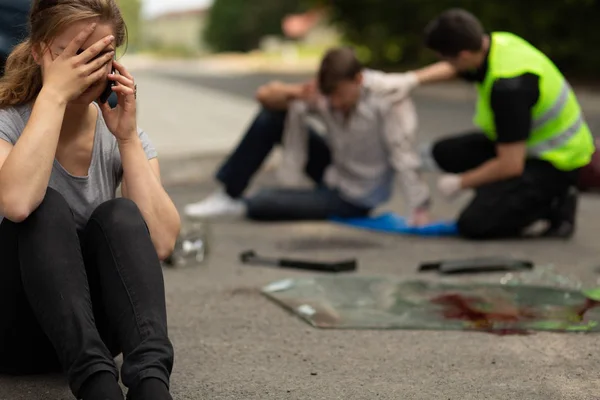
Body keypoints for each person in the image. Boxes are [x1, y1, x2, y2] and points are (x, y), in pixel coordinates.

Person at [0, 1, 181, 400]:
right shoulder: (7, 120)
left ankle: (151, 383)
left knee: (121, 213)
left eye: (98, 54)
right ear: (39, 52)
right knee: (41, 207)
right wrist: (53, 95)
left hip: (97, 331)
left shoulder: (118, 133)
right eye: (72, 54)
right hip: (15, 332)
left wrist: (129, 140)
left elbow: (162, 242)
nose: (85, 68)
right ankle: (98, 387)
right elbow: (16, 203)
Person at [184, 46, 448, 225]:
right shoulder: (327, 94)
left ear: (358, 79)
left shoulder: (387, 97)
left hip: (356, 195)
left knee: (263, 204)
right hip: (334, 169)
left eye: (339, 95)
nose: (333, 103)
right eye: (329, 95)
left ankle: (247, 203)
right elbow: (263, 97)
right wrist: (297, 92)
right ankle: (229, 194)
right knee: (273, 116)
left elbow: (403, 154)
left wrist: (420, 207)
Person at [413, 9, 594, 239]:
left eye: (445, 59)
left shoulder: (509, 88)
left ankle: (556, 201)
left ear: (464, 55)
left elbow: (510, 165)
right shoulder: (497, 43)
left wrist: (461, 183)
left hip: (556, 162)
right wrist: (411, 80)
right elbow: (453, 70)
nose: (444, 65)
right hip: (527, 143)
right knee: (446, 153)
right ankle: (501, 193)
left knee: (475, 224)